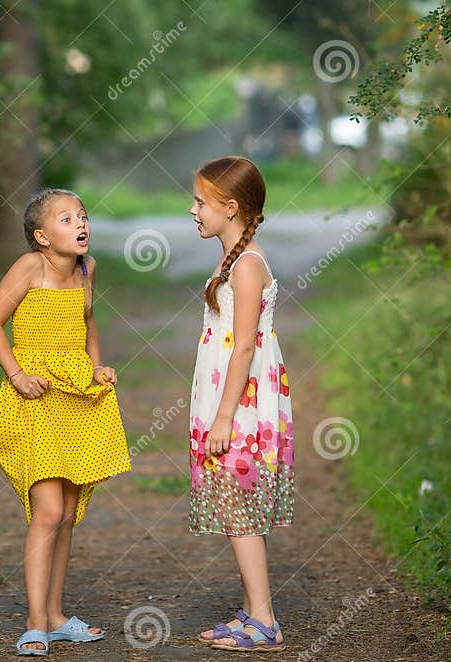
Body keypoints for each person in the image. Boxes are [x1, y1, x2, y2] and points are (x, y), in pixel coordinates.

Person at [0, 187, 131, 656]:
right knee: (46, 511)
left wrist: (96, 368)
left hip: (74, 397)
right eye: (66, 219)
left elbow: (89, 324)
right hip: (34, 398)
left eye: (82, 215)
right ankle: (33, 623)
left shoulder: (88, 269)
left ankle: (56, 615)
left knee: (67, 514)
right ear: (42, 237)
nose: (80, 223)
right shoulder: (30, 267)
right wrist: (17, 375)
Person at [187, 156, 295, 652]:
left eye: (200, 202)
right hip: (226, 395)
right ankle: (255, 611)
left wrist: (225, 415)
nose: (193, 211)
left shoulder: (248, 265)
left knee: (240, 506)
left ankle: (265, 620)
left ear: (229, 208)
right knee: (237, 507)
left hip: (243, 403)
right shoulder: (232, 257)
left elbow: (245, 346)